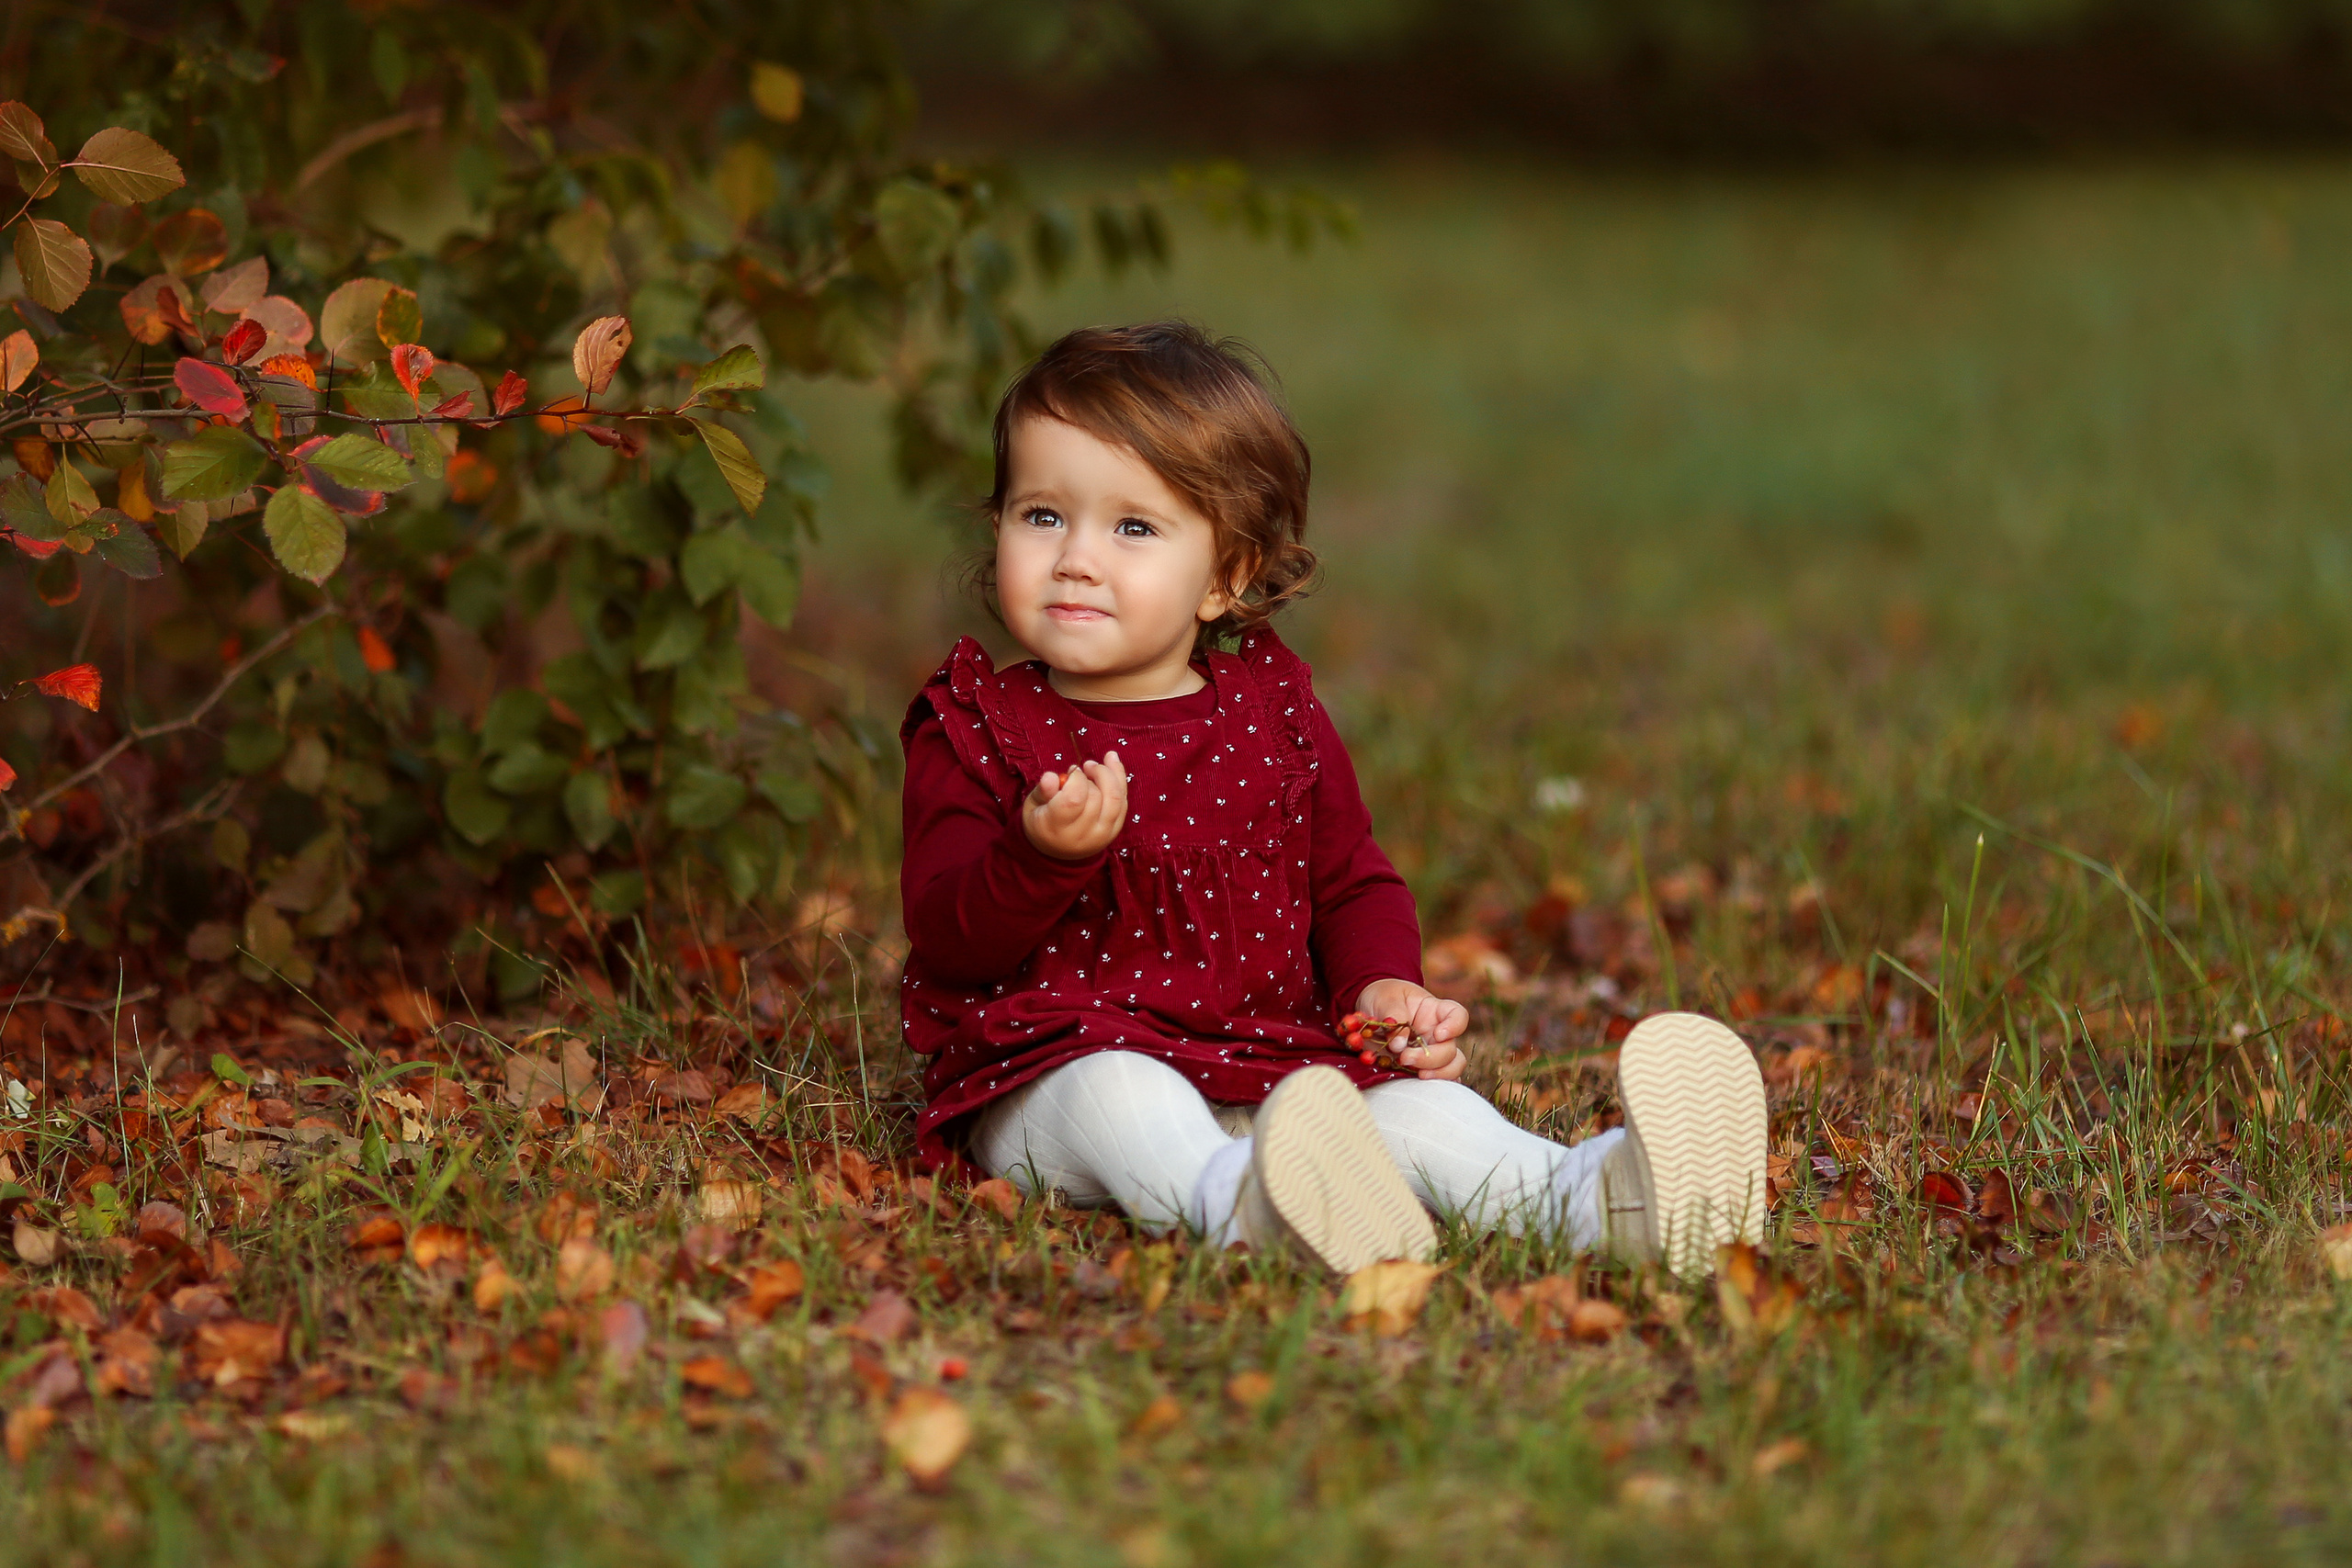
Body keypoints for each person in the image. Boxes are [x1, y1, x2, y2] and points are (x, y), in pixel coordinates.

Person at [898, 322, 1767, 1278]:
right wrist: (1040, 858)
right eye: (1041, 515)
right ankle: (1244, 1204)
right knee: (1122, 1095)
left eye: (1133, 527)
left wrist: (1378, 987)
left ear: (1225, 576)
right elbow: (948, 938)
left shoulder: (1271, 719)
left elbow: (1349, 881)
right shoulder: (980, 723)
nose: (1074, 557)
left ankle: (1598, 1198)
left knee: (1426, 1115)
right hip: (1046, 1070)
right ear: (998, 527)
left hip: (1276, 1068)